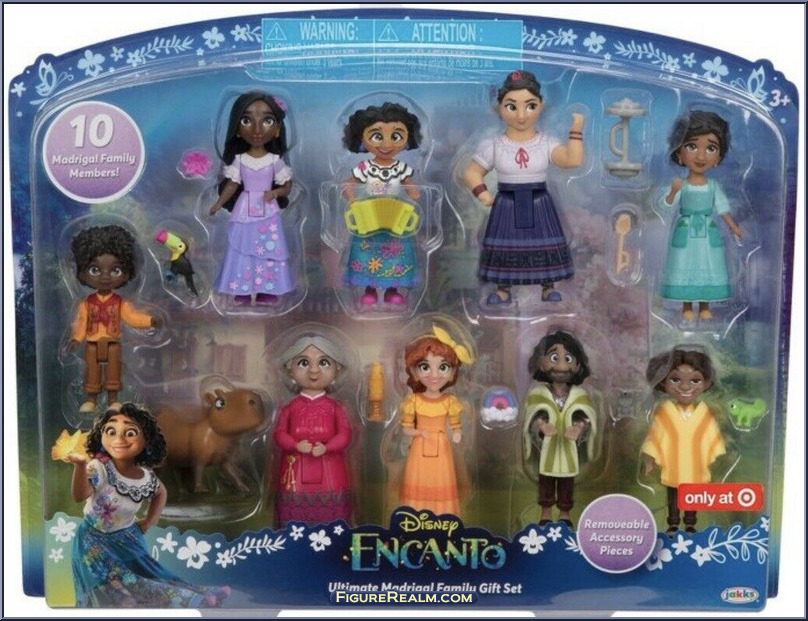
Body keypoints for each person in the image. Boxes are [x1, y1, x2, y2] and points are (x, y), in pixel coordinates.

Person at [61, 403, 229, 607]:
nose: (119, 439)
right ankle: (185, 600)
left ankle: (195, 594)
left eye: (130, 432)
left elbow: (161, 493)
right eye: (111, 431)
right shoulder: (99, 468)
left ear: (147, 440)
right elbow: (80, 495)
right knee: (115, 584)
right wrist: (80, 466)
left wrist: (150, 521)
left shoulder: (146, 476)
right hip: (93, 541)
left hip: (127, 538)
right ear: (101, 436)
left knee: (149, 572)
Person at [463, 70, 585, 305]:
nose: (521, 115)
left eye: (530, 106)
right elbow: (471, 172)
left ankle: (548, 286)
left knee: (543, 242)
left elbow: (572, 160)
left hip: (539, 201)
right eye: (511, 106)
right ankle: (503, 288)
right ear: (498, 108)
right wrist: (483, 193)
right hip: (506, 201)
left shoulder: (545, 142)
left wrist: (576, 130)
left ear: (541, 105)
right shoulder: (494, 144)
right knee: (506, 244)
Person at [209, 91, 294, 307]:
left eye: (267, 121)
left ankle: (268, 290)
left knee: (268, 249)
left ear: (277, 130)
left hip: (268, 210)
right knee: (242, 248)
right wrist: (218, 204)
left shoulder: (275, 160)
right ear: (237, 130)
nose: (257, 130)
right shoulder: (239, 160)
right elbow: (232, 185)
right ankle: (243, 289)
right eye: (246, 121)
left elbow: (287, 187)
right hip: (244, 209)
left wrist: (275, 193)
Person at [659, 110, 744, 320]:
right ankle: (687, 306)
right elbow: (666, 206)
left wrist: (734, 227)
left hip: (707, 234)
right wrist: (672, 192)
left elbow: (723, 209)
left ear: (718, 158)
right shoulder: (681, 185)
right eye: (692, 146)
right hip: (686, 232)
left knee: (708, 264)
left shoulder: (713, 186)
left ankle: (705, 305)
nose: (700, 156)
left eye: (711, 148)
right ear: (679, 153)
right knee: (684, 264)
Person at [68, 225, 161, 413]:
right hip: (92, 343)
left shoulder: (120, 303)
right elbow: (81, 323)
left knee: (113, 371)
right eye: (95, 270)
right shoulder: (86, 304)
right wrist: (76, 339)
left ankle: (113, 400)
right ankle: (91, 400)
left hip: (113, 343)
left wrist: (150, 321)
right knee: (92, 371)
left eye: (115, 270)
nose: (105, 277)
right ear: (82, 272)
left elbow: (132, 317)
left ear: (126, 272)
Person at [341, 102, 423, 307]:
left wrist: (413, 197)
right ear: (361, 137)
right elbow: (347, 185)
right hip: (368, 218)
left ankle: (391, 290)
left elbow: (413, 191)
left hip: (395, 221)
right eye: (377, 136)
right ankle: (369, 289)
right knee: (366, 253)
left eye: (395, 136)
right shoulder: (365, 167)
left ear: (407, 137)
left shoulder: (401, 168)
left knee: (396, 256)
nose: (387, 144)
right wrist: (352, 200)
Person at [641, 349, 727, 535]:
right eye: (675, 379)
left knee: (691, 496)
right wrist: (649, 460)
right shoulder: (665, 413)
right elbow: (655, 437)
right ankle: (673, 523)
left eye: (695, 380)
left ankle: (690, 524)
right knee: (673, 496)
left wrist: (716, 459)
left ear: (706, 383)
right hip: (673, 465)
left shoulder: (704, 414)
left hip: (696, 466)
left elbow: (712, 437)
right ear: (663, 382)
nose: (685, 386)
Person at [273, 335, 353, 526]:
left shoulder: (336, 408)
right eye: (303, 363)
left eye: (324, 362)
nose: (314, 370)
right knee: (294, 514)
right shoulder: (288, 409)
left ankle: (333, 535)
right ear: (290, 370)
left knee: (331, 513)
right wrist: (295, 445)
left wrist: (328, 447)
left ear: (337, 369)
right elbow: (279, 434)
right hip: (296, 468)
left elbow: (345, 434)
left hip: (330, 468)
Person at [521, 331, 596, 527]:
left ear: (578, 365)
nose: (561, 365)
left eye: (568, 359)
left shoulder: (579, 394)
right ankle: (545, 512)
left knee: (567, 483)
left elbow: (586, 416)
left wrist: (579, 427)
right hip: (547, 450)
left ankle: (565, 513)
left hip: (568, 450)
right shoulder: (538, 393)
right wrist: (541, 425)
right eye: (554, 358)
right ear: (541, 362)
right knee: (546, 481)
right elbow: (532, 415)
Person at [399, 326, 473, 516]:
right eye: (425, 367)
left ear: (452, 372)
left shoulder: (450, 401)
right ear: (414, 371)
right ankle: (414, 518)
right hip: (419, 447)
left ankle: (443, 517)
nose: (434, 375)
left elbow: (456, 425)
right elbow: (406, 428)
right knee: (418, 480)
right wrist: (419, 433)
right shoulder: (413, 401)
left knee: (442, 479)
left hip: (442, 447)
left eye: (443, 367)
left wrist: (457, 433)